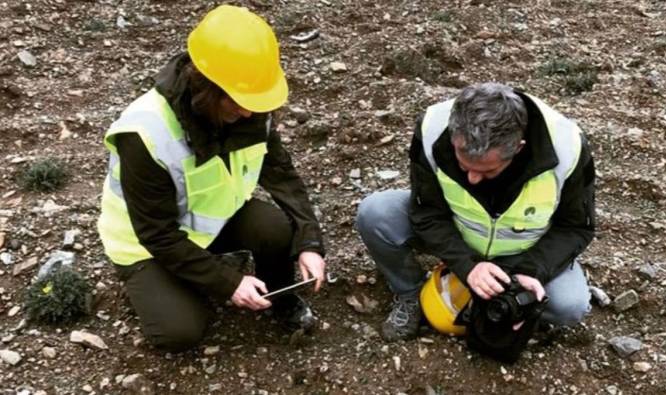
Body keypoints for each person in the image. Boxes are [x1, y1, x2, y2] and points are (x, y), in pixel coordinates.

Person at [97, 5, 326, 352]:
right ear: (204, 84)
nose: (248, 111)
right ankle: (154, 284)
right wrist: (228, 283)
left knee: (275, 228)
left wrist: (309, 243)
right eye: (238, 100)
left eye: (254, 100)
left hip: (208, 225)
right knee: (179, 331)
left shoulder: (250, 111)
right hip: (147, 246)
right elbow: (156, 235)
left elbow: (283, 177)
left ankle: (282, 299)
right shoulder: (145, 133)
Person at [356, 82, 595, 341]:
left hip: (524, 250)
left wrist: (532, 270)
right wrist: (467, 265)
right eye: (462, 164)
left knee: (570, 306)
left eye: (487, 171)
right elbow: (426, 211)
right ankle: (410, 293)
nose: (471, 179)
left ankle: (515, 311)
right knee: (376, 213)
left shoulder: (567, 148)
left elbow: (576, 227)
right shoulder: (433, 127)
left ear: (518, 147)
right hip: (459, 230)